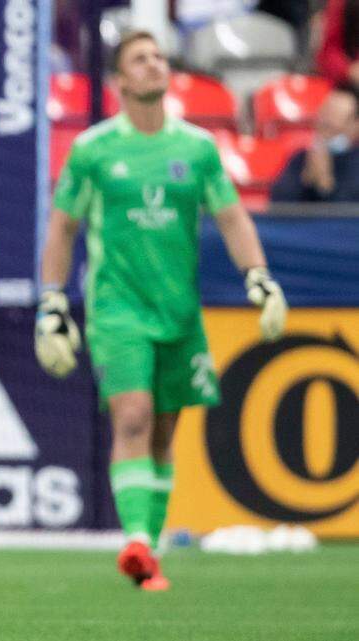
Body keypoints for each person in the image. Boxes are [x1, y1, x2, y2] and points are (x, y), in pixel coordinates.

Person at [35, 32, 288, 591]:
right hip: (116, 308)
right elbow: (62, 226)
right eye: (140, 59)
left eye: (159, 57)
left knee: (163, 431)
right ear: (119, 81)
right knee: (132, 416)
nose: (154, 66)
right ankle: (140, 544)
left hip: (177, 311)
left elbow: (231, 218)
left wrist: (259, 277)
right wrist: (52, 301)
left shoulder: (196, 148)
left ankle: (147, 553)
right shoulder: (94, 149)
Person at [271, 87, 359, 202]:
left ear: (355, 126)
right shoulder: (300, 158)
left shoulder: (355, 163)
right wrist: (306, 180)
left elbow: (349, 211)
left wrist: (324, 182)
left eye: (331, 127)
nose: (325, 121)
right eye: (324, 115)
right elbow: (279, 203)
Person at [316, 0, 359, 92]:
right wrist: (349, 70)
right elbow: (328, 53)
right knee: (343, 104)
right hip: (346, 85)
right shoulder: (340, 3)